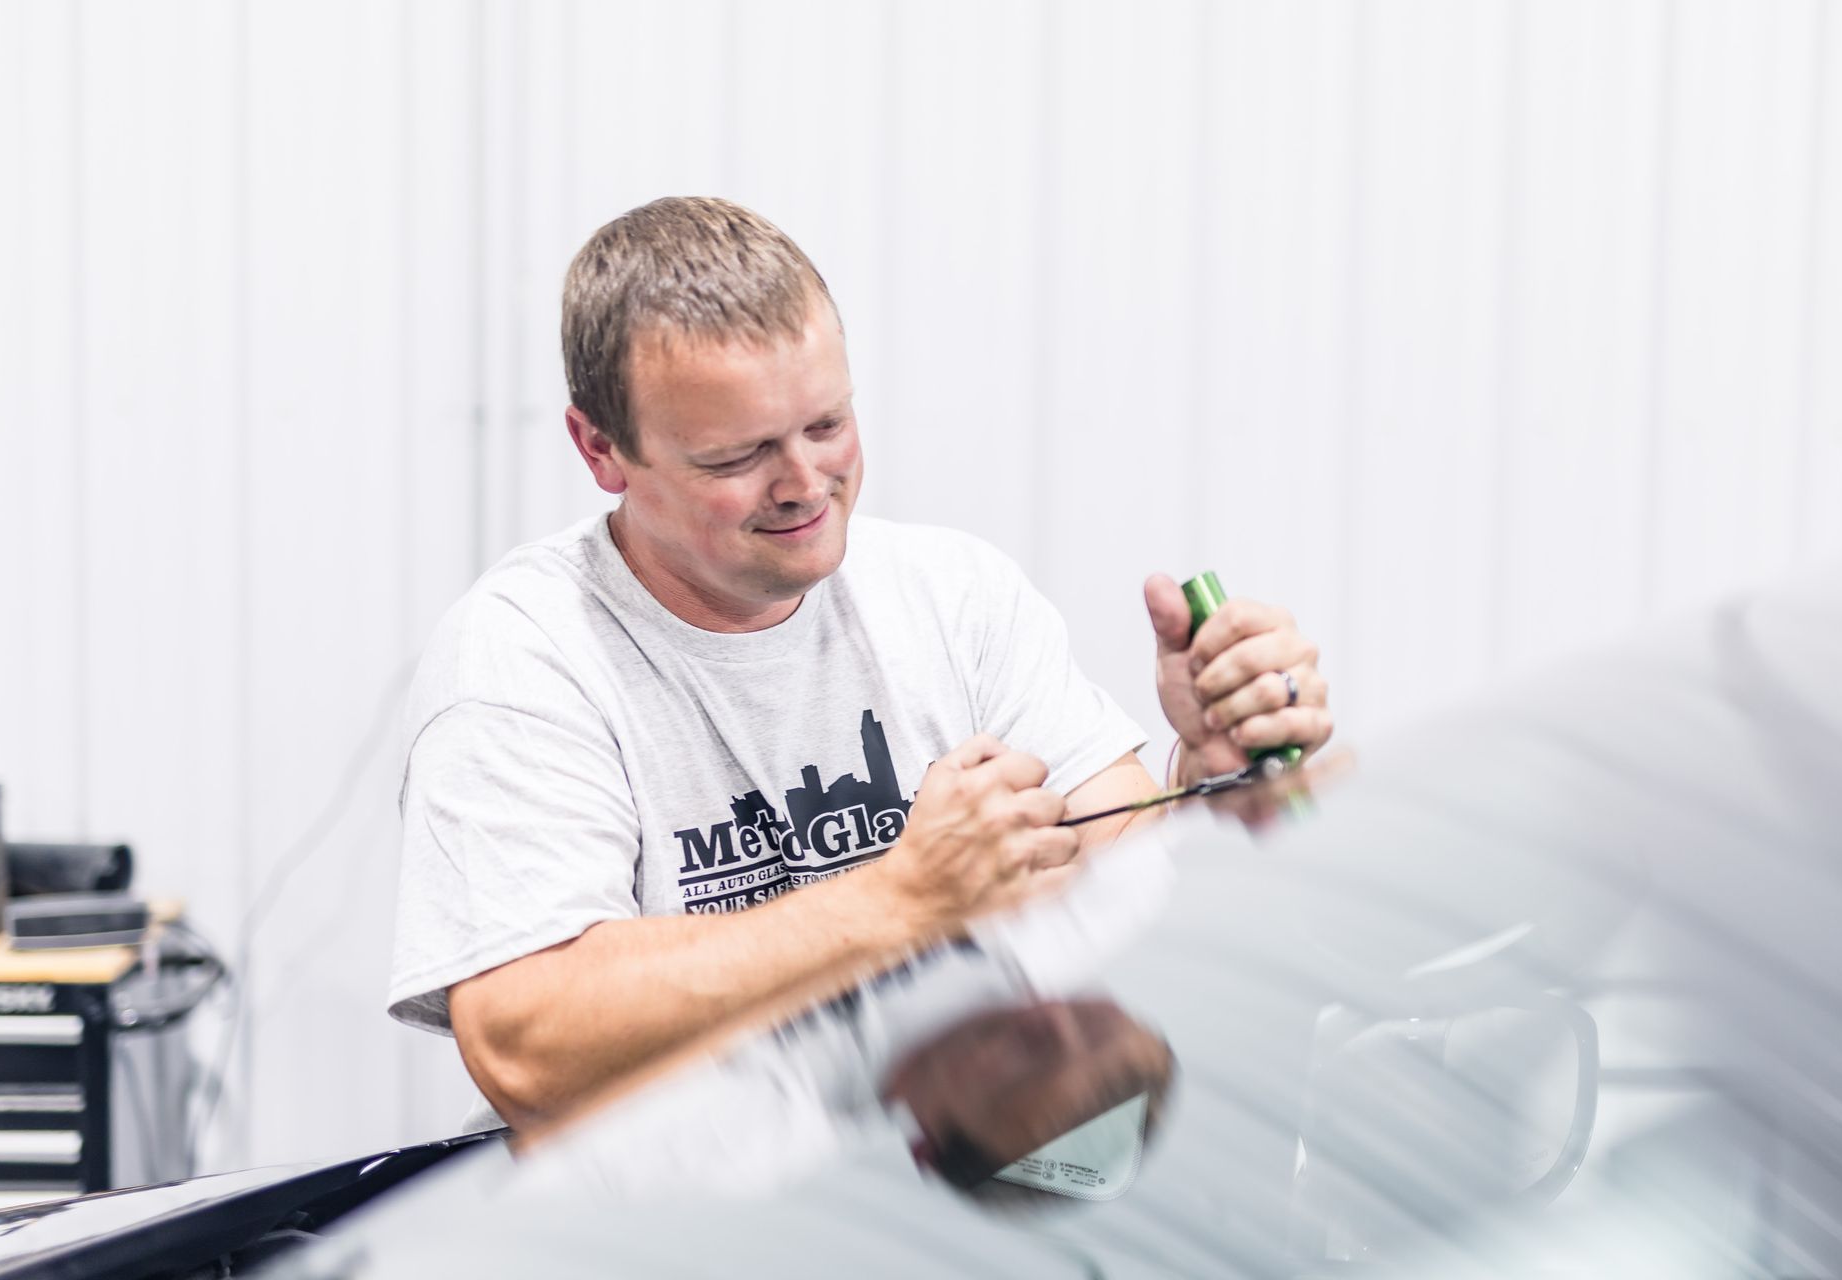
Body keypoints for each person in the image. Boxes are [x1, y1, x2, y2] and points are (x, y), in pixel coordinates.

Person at [386, 196, 1334, 1135]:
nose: (805, 485)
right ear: (602, 449)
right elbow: (527, 1044)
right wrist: (901, 897)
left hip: (912, 1208)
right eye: (738, 456)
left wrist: (1213, 784)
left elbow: (1116, 883)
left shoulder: (950, 593)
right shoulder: (527, 657)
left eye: (827, 425)